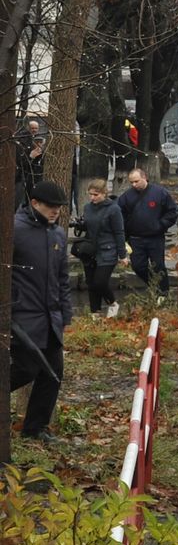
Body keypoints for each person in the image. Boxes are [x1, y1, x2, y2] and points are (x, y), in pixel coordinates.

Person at [11, 181, 73, 441]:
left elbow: (62, 278)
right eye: (50, 206)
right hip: (22, 317)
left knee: (53, 374)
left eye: (58, 207)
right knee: (26, 369)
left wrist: (65, 314)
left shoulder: (57, 234)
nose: (55, 211)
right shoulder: (14, 229)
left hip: (50, 318)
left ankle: (35, 429)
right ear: (34, 203)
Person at [116, 166, 178, 294]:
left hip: (155, 237)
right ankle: (154, 285)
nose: (134, 184)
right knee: (138, 266)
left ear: (144, 178)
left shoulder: (160, 193)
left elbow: (171, 212)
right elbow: (120, 216)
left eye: (136, 181)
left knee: (159, 266)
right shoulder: (126, 197)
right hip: (135, 238)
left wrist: (161, 225)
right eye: (131, 182)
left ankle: (163, 292)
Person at [77, 178, 126, 317]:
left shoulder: (114, 209)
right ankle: (95, 314)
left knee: (100, 282)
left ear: (104, 193)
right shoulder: (87, 208)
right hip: (91, 249)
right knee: (91, 283)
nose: (92, 197)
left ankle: (112, 303)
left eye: (96, 194)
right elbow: (88, 227)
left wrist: (122, 255)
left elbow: (119, 232)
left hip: (108, 250)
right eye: (90, 194)